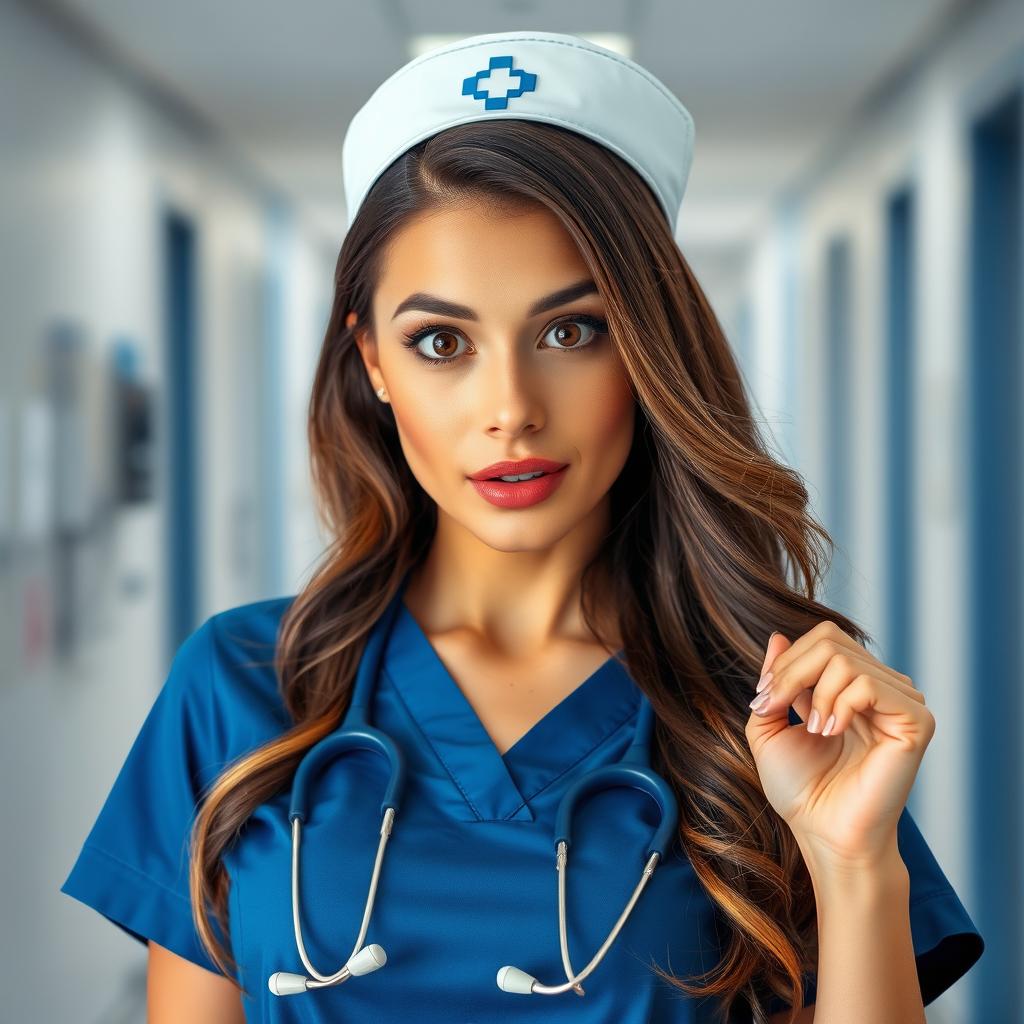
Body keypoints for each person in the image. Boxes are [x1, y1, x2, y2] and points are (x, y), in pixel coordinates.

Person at [61, 29, 984, 1023]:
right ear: (371, 360)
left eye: (569, 330)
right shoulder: (239, 686)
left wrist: (852, 863)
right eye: (440, 341)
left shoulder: (766, 714)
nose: (510, 406)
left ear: (646, 349)